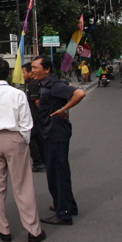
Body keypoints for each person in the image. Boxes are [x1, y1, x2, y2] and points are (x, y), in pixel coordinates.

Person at [0, 58, 45, 242]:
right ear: (8, 74)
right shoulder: (18, 94)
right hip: (15, 138)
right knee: (23, 185)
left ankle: (2, 229)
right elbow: (26, 122)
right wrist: (23, 140)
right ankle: (33, 230)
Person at [31, 56, 86, 226]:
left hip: (56, 134)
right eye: (32, 67)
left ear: (46, 69)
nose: (33, 70)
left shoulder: (55, 85)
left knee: (57, 175)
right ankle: (68, 205)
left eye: (35, 67)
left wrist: (64, 109)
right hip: (49, 133)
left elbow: (79, 93)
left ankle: (64, 214)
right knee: (57, 172)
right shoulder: (45, 84)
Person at [26, 58, 46, 173]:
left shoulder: (33, 83)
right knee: (39, 138)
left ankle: (38, 162)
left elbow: (37, 102)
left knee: (33, 138)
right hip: (38, 116)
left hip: (35, 116)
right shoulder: (39, 82)